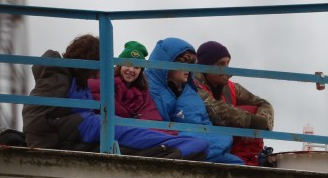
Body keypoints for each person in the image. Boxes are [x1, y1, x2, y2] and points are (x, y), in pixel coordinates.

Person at [22, 34, 209, 160]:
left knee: (132, 132)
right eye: (126, 64)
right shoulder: (66, 78)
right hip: (81, 126)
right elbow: (40, 115)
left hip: (88, 124)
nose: (131, 70)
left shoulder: (142, 92)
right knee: (122, 130)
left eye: (137, 67)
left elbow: (150, 119)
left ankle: (177, 146)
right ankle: (177, 149)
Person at [145, 37, 244, 164]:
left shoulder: (190, 92)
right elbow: (155, 125)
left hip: (196, 142)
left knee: (237, 164)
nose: (188, 69)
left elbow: (203, 123)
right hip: (172, 142)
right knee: (203, 144)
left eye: (191, 64)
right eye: (183, 63)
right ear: (167, 62)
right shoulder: (150, 88)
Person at [194, 40, 274, 166]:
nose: (226, 69)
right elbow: (214, 109)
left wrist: (260, 123)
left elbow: (263, 104)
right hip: (206, 140)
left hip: (231, 140)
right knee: (249, 115)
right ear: (206, 66)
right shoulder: (194, 86)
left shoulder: (231, 87)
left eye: (227, 63)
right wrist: (249, 122)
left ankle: (249, 162)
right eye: (220, 64)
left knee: (253, 109)